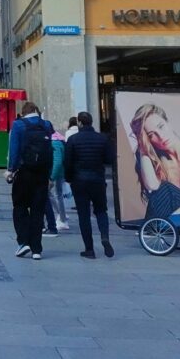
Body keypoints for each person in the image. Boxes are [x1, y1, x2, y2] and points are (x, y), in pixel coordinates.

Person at [6, 101, 54, 260]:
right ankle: (37, 249)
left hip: (24, 172)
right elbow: (50, 150)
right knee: (38, 210)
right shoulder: (46, 125)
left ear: (24, 112)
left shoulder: (18, 125)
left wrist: (11, 170)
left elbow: (14, 150)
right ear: (36, 111)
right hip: (42, 174)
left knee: (19, 206)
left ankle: (23, 241)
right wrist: (50, 174)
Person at [63, 111, 115, 259]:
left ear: (79, 123)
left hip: (79, 181)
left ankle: (89, 249)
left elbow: (68, 162)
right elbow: (109, 159)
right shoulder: (102, 139)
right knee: (101, 210)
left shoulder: (73, 140)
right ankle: (105, 236)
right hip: (98, 180)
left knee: (84, 215)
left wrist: (69, 178)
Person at [49, 130, 70, 231]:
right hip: (59, 172)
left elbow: (57, 161)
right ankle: (61, 215)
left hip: (57, 173)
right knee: (56, 194)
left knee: (57, 195)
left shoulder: (54, 142)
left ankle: (62, 219)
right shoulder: (59, 140)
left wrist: (51, 177)